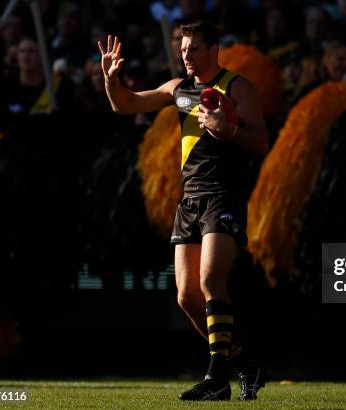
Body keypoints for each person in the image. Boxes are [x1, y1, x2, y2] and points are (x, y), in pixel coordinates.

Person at [98, 21, 269, 401]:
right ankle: (244, 362)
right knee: (187, 297)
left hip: (223, 194)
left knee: (210, 280)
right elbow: (124, 104)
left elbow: (261, 141)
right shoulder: (178, 89)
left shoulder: (237, 87)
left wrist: (229, 132)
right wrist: (112, 79)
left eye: (193, 48)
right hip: (189, 199)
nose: (186, 56)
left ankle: (217, 379)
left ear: (214, 49)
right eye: (183, 49)